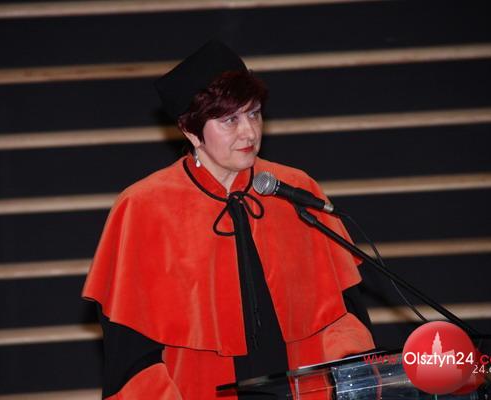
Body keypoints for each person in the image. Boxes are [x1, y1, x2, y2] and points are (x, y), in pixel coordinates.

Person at [82, 40, 375, 400]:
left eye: (254, 114)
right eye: (230, 120)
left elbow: (342, 316)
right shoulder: (143, 207)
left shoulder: (295, 188)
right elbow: (132, 356)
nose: (249, 132)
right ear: (190, 130)